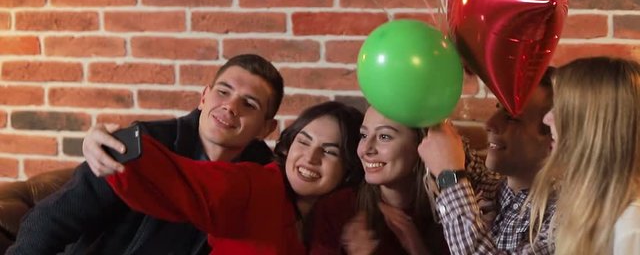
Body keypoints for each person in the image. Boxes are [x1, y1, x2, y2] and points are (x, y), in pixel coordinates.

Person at [8, 54, 284, 255]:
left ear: (266, 128)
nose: (230, 106)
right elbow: (51, 220)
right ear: (203, 97)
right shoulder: (140, 145)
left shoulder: (263, 179)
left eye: (249, 103)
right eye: (223, 92)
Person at [104, 101, 364, 254]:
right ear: (287, 146)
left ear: (349, 168)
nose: (311, 157)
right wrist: (114, 145)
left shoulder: (335, 218)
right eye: (303, 142)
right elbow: (187, 180)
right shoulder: (256, 187)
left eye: (329, 151)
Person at [418, 67, 556, 254]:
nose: (489, 124)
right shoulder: (492, 188)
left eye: (512, 118)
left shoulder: (565, 217)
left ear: (555, 137)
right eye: (498, 109)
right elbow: (454, 150)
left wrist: (450, 177)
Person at [529, 57, 640, 255]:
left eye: (561, 108)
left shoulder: (631, 225)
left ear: (592, 126)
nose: (547, 119)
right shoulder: (588, 204)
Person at [310, 106, 450, 255]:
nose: (365, 149)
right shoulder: (337, 208)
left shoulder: (450, 211)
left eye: (384, 137)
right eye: (363, 135)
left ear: (422, 146)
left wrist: (417, 248)